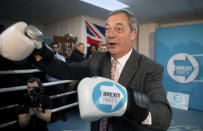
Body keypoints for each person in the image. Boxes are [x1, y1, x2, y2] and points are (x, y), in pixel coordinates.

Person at [0, 9, 172, 131]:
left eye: (118, 29)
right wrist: (39, 52)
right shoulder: (97, 58)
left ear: (133, 34)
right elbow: (65, 70)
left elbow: (164, 117)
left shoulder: (150, 68)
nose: (110, 34)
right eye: (107, 28)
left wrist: (131, 105)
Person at [45, 42, 67, 121]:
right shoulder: (46, 58)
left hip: (59, 82)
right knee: (51, 100)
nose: (55, 49)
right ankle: (53, 116)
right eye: (53, 48)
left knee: (62, 99)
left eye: (56, 47)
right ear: (51, 49)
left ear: (58, 48)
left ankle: (63, 114)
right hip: (50, 81)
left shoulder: (61, 58)